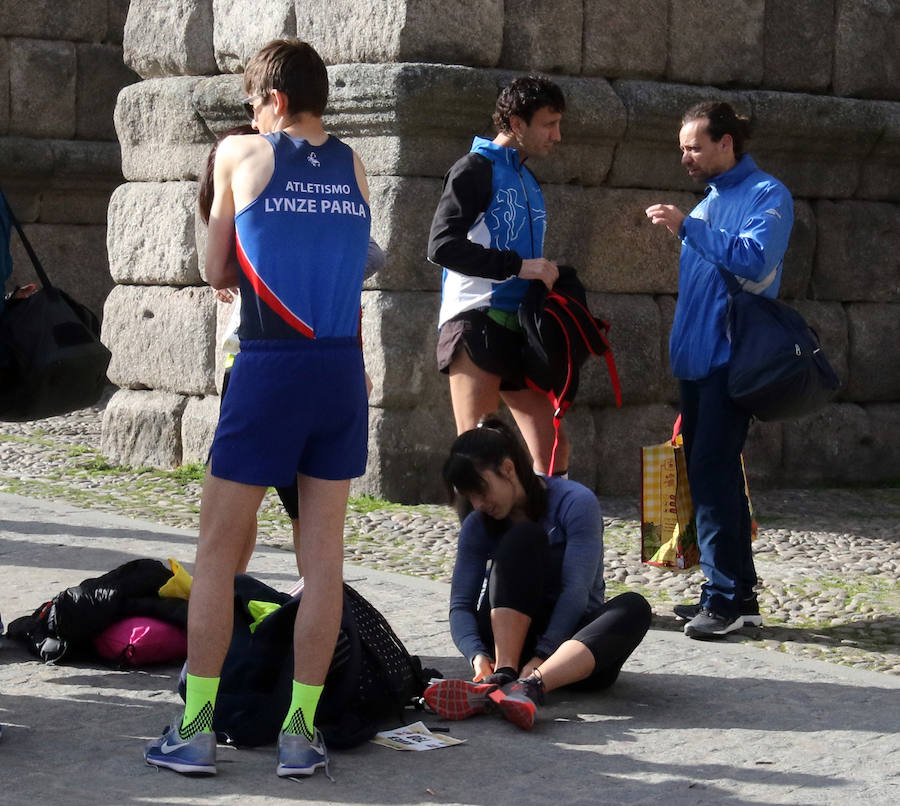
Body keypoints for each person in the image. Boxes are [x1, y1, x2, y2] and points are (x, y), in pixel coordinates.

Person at [144, 39, 371, 779]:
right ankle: (302, 735)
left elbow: (214, 268)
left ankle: (196, 728)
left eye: (252, 103)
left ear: (271, 100)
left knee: (216, 552)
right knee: (323, 564)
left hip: (273, 366)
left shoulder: (244, 153)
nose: (250, 116)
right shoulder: (354, 162)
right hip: (341, 368)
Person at [196, 127, 385, 574]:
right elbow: (219, 265)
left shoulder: (284, 172)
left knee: (294, 527)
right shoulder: (242, 172)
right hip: (252, 361)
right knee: (236, 526)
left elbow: (372, 255)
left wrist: (293, 264)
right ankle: (237, 603)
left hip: (284, 365)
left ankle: (250, 611)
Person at [645, 101, 794, 640]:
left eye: (694, 146)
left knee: (712, 478)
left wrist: (688, 228)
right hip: (697, 363)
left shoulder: (767, 195)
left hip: (732, 363)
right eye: (683, 147)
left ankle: (726, 599)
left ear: (726, 143)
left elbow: (754, 260)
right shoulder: (709, 203)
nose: (685, 156)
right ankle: (737, 596)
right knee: (715, 476)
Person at [423, 418, 651, 730]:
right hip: (507, 647)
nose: (478, 504)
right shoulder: (479, 523)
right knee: (522, 538)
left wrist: (542, 658)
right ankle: (502, 677)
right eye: (468, 496)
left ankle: (530, 687)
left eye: (481, 491)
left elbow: (576, 591)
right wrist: (477, 656)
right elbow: (460, 604)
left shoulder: (575, 502)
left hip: (570, 651)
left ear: (507, 469)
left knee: (635, 607)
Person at [427, 75, 571, 477]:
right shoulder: (472, 169)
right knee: (478, 457)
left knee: (553, 448)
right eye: (549, 123)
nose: (557, 136)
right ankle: (479, 540)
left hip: (521, 329)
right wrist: (519, 266)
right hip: (476, 319)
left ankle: (544, 538)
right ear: (517, 123)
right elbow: (441, 246)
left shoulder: (527, 177)